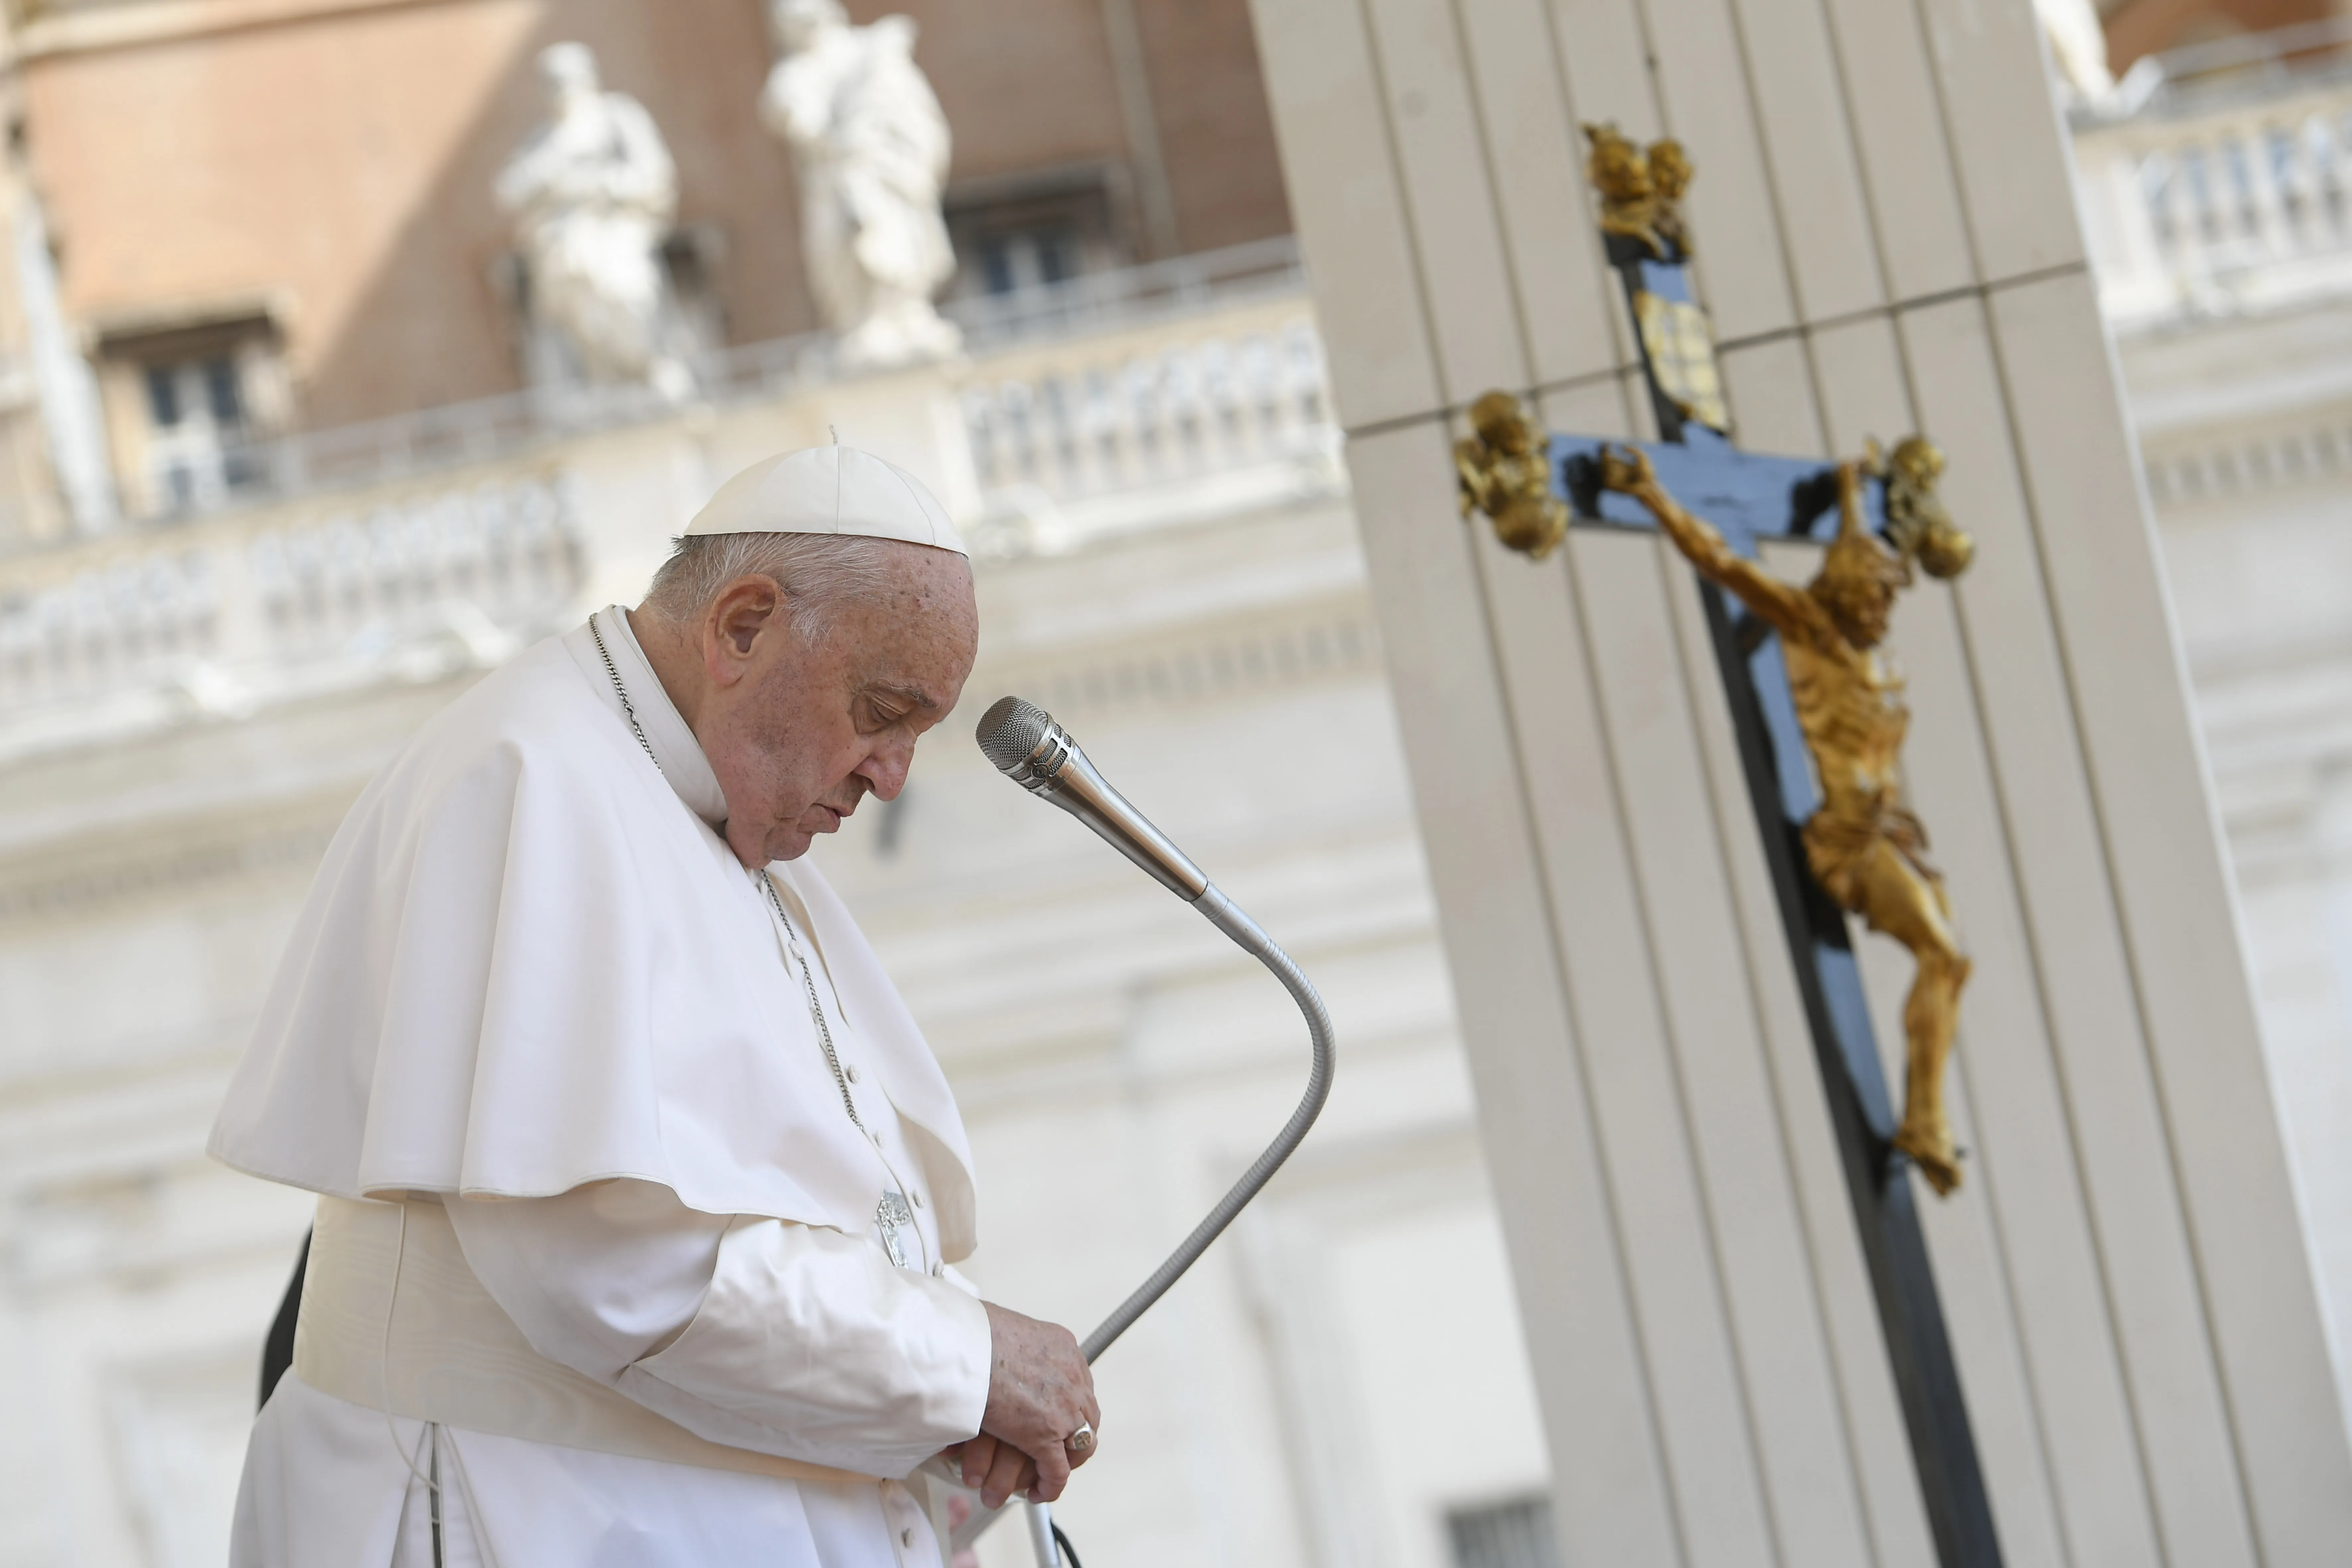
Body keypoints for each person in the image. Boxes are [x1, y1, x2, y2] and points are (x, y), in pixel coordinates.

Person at [211, 444, 1099, 1566]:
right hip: (523, 1512)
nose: (890, 778)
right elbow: (608, 1262)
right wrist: (959, 1363)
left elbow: (809, 1202)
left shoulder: (708, 813)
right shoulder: (531, 775)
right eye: (881, 712)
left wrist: (959, 1393)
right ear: (741, 627)